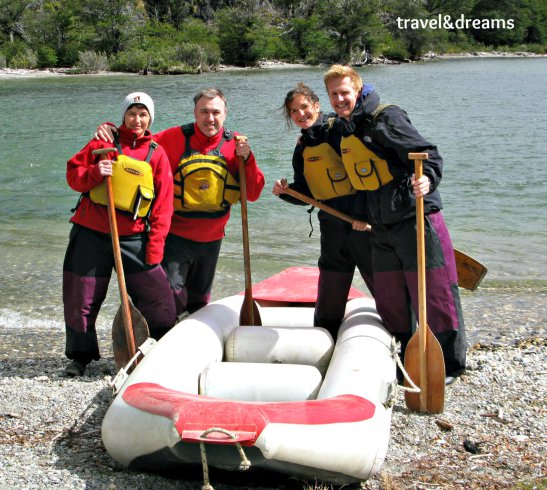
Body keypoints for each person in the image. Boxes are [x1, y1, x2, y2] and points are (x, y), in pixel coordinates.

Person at [323, 65, 466, 383]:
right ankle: (404, 357)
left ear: (358, 90)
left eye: (344, 92)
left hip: (414, 217)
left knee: (434, 293)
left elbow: (429, 154)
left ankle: (450, 365)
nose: (339, 99)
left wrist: (426, 179)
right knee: (390, 298)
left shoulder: (387, 117)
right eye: (333, 94)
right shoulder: (345, 128)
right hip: (380, 225)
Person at [95, 88, 265, 316]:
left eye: (216, 112)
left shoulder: (236, 145)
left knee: (200, 300)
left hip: (213, 239)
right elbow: (136, 142)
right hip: (176, 237)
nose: (210, 118)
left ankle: (194, 341)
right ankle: (163, 335)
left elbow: (253, 193)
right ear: (195, 112)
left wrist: (248, 159)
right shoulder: (173, 138)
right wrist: (111, 130)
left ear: (225, 113)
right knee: (172, 296)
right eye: (204, 111)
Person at [64, 92, 176, 377]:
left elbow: (163, 206)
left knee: (158, 296)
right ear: (124, 116)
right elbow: (73, 175)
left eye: (143, 114)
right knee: (82, 297)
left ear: (150, 118)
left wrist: (155, 247)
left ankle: (160, 344)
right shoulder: (102, 142)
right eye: (132, 113)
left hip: (132, 237)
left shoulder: (156, 153)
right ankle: (80, 356)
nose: (137, 119)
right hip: (90, 233)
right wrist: (94, 172)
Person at [272, 82, 373, 340]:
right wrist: (287, 193)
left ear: (317, 106)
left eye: (304, 107)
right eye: (294, 111)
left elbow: (365, 176)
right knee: (331, 284)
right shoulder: (301, 147)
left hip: (362, 221)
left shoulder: (338, 129)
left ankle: (402, 333)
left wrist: (364, 216)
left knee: (378, 278)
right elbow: (307, 194)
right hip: (331, 224)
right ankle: (325, 334)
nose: (300, 114)